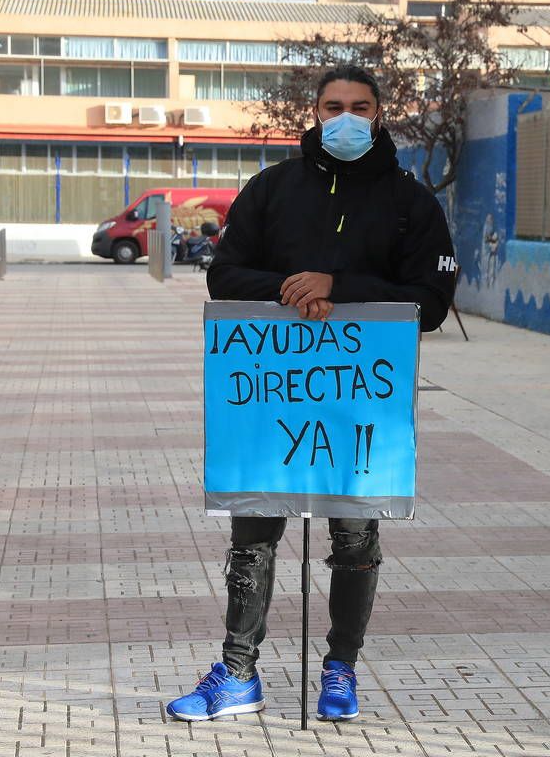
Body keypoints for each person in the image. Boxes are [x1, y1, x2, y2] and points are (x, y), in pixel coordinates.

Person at [166, 65, 456, 723]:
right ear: (315, 112)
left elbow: (432, 301)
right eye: (334, 106)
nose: (346, 117)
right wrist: (293, 287)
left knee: (355, 541)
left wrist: (339, 284)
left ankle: (341, 671)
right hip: (272, 399)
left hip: (358, 406)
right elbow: (226, 277)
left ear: (379, 114)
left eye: (360, 106)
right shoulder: (271, 189)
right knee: (252, 536)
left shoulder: (411, 203)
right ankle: (237, 673)